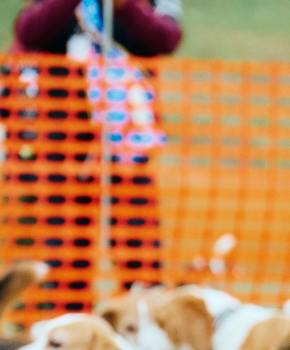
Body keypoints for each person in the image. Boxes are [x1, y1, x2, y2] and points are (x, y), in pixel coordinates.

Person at [5, 0, 179, 318]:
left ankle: (146, 328)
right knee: (65, 247)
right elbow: (29, 30)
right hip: (62, 140)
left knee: (137, 243)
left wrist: (126, 8)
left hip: (124, 141)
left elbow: (166, 39)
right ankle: (66, 327)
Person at [11, 0, 181, 56]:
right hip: (59, 114)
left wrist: (126, 6)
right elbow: (27, 33)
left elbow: (169, 40)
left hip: (128, 114)